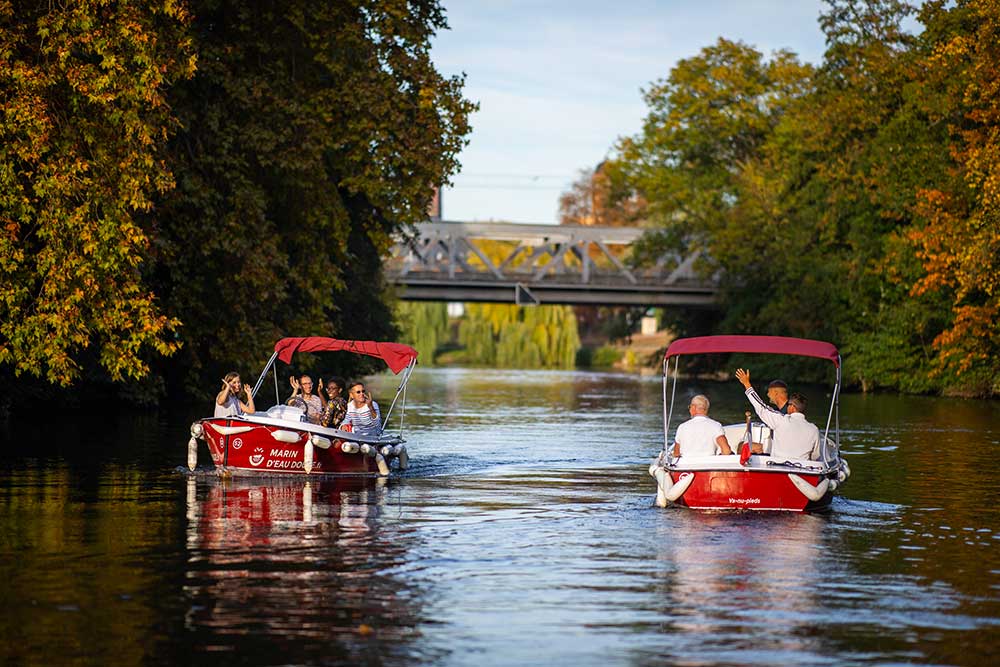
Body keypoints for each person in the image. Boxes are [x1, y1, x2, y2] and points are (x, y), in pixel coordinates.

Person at [735, 368, 819, 460]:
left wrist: (747, 384)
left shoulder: (782, 418)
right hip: (801, 466)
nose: (767, 394)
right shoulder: (814, 429)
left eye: (769, 391)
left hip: (779, 460)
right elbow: (816, 456)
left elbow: (761, 407)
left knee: (742, 447)